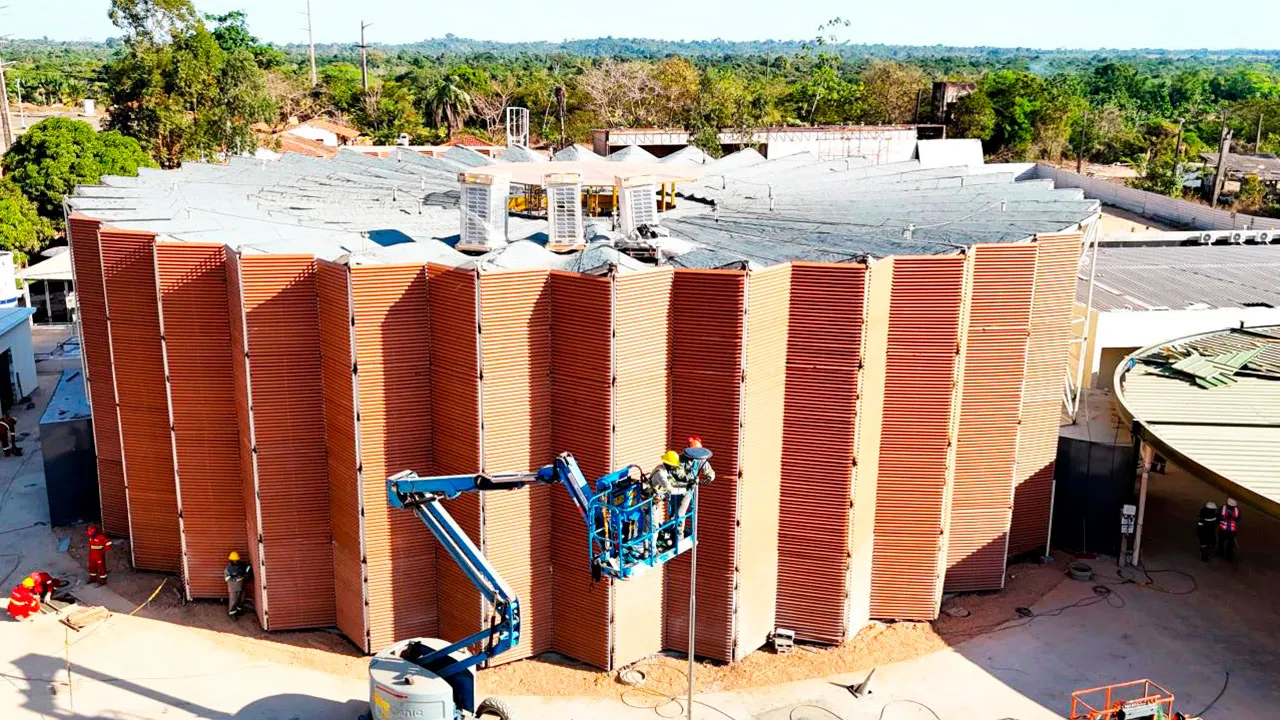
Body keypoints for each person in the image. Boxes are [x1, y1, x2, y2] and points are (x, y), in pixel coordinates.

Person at [224, 551, 252, 619]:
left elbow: (245, 570)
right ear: (231, 560)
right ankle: (232, 613)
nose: (236, 561)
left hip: (240, 586)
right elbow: (227, 578)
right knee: (233, 600)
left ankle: (238, 610)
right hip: (233, 588)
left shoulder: (239, 566)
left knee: (240, 599)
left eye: (236, 559)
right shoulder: (228, 569)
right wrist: (235, 577)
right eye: (234, 559)